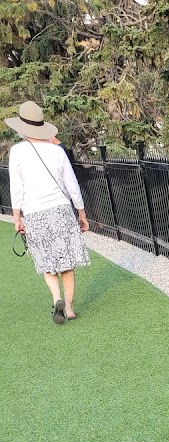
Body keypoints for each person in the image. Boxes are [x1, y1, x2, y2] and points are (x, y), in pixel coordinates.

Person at [5, 101, 90, 324]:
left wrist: (17, 217)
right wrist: (81, 214)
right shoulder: (56, 151)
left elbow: (17, 187)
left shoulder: (17, 152)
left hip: (35, 213)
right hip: (61, 210)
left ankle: (57, 297)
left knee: (46, 261)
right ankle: (70, 309)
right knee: (67, 263)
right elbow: (72, 185)